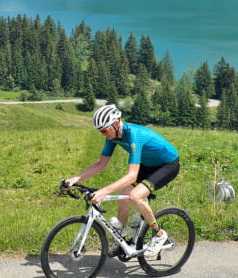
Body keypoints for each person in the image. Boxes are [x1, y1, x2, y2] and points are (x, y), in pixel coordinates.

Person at [64, 104, 180, 257]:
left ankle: (159, 234)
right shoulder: (113, 136)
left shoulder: (134, 135)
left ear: (117, 124)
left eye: (105, 130)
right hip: (148, 165)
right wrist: (76, 178)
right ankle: (123, 241)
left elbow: (132, 176)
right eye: (100, 131)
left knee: (135, 196)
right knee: (124, 198)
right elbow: (101, 163)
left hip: (167, 165)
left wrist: (104, 191)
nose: (103, 134)